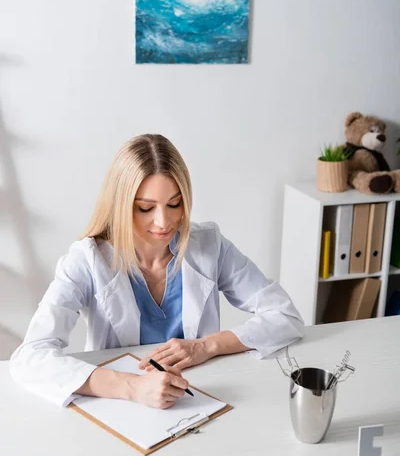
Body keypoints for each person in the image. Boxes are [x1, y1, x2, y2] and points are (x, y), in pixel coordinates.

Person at [10, 134, 304, 408]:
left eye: (174, 204)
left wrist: (206, 346)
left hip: (200, 396)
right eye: (145, 208)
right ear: (120, 206)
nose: (164, 222)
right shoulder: (87, 260)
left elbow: (285, 316)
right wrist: (134, 388)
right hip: (120, 403)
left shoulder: (210, 245)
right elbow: (31, 357)